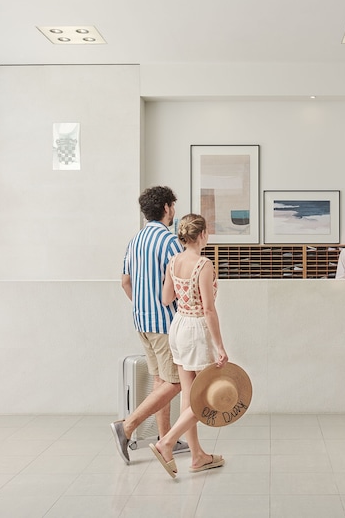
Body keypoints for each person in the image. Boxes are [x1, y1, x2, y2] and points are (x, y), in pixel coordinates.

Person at [111, 186, 188, 463]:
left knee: (160, 381)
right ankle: (127, 427)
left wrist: (142, 305)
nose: (174, 210)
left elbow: (125, 281)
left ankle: (165, 440)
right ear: (166, 207)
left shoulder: (134, 241)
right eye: (172, 206)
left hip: (141, 321)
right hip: (164, 324)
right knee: (176, 382)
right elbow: (180, 282)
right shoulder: (169, 242)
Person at [148, 214, 227, 478]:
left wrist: (186, 297)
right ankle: (167, 442)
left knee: (188, 396)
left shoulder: (174, 261)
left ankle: (197, 456)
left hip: (179, 326)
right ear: (202, 234)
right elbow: (209, 309)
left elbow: (166, 298)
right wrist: (220, 346)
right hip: (196, 331)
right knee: (205, 397)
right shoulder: (204, 264)